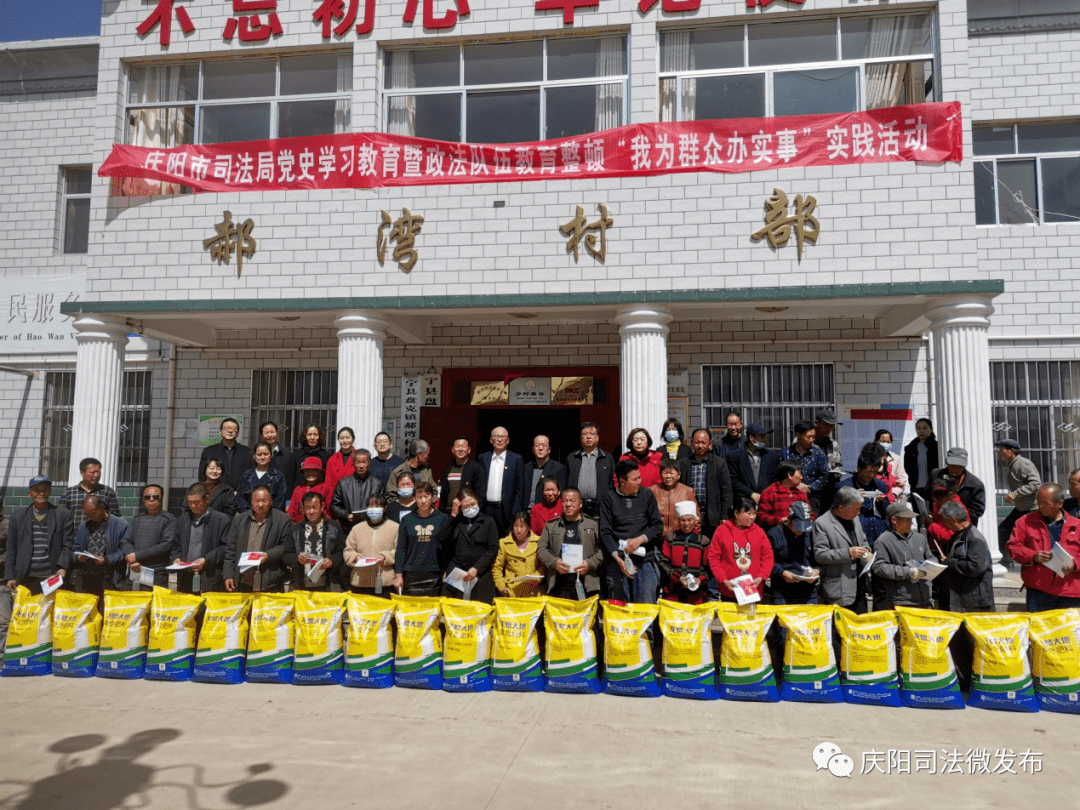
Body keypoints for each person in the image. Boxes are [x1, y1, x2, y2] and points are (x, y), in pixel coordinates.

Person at [599, 458, 664, 604]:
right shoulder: (608, 498)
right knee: (619, 609)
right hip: (618, 560)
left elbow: (657, 526)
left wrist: (639, 540)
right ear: (622, 481)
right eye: (635, 479)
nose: (639, 482)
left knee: (645, 608)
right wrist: (618, 559)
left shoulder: (647, 495)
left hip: (644, 559)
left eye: (639, 477)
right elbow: (605, 533)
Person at [1006, 483, 1080, 611]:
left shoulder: (1077, 525)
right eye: (1038, 501)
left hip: (1070, 592)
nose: (1040, 506)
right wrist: (1033, 556)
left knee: (1068, 631)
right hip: (1039, 591)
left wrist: (1075, 564)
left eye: (1045, 503)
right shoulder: (1025, 522)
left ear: (1060, 504)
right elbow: (1013, 547)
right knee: (1039, 630)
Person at [4, 476, 72, 595]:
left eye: (45, 489)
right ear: (29, 493)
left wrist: (62, 566)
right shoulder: (17, 517)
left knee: (49, 612)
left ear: (50, 492)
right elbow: (11, 549)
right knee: (28, 612)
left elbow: (68, 544)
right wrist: (10, 576)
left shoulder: (62, 515)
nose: (41, 493)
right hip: (26, 577)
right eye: (37, 490)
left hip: (52, 576)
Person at [812, 488, 871, 614]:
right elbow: (820, 555)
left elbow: (863, 541)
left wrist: (867, 552)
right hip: (838, 589)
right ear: (841, 508)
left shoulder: (855, 518)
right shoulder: (822, 523)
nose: (859, 512)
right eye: (856, 509)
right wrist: (848, 553)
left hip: (859, 586)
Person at [536, 488, 602, 600]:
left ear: (580, 504)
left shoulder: (593, 524)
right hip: (558, 583)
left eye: (572, 501)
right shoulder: (551, 525)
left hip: (586, 583)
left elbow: (602, 550)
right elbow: (541, 549)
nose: (568, 504)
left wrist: (589, 563)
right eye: (565, 501)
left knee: (586, 617)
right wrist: (554, 562)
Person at [223, 486, 291, 593]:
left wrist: (269, 555)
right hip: (243, 581)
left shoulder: (283, 519)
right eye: (256, 501)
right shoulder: (239, 520)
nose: (260, 505)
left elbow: (286, 546)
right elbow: (230, 549)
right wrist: (228, 575)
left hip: (270, 582)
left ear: (271, 501)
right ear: (251, 501)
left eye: (264, 501)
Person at [437, 488, 499, 603]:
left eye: (473, 504)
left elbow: (493, 548)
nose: (470, 508)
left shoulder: (488, 521)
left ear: (477, 502)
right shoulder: (455, 521)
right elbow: (442, 538)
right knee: (455, 610)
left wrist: (477, 568)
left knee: (480, 611)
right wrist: (453, 515)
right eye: (465, 506)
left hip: (480, 573)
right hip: (458, 572)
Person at [707, 497, 774, 602]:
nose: (752, 517)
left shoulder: (759, 532)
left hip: (753, 588)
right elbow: (713, 558)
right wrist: (723, 579)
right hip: (729, 588)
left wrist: (761, 577)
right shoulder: (722, 531)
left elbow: (768, 557)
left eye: (754, 513)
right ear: (736, 513)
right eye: (748, 513)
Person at [171, 483, 233, 595]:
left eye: (197, 502)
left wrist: (206, 559)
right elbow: (176, 545)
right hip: (186, 577)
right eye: (190, 503)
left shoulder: (221, 520)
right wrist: (176, 558)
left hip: (210, 576)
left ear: (207, 499)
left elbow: (226, 547)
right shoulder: (183, 520)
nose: (193, 506)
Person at [871, 501, 932, 611]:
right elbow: (879, 567)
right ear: (894, 520)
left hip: (926, 598)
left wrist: (930, 567)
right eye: (907, 519)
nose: (911, 523)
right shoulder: (883, 541)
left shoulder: (920, 538)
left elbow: (931, 557)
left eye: (911, 519)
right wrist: (907, 572)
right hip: (902, 601)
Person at [936, 501, 995, 613]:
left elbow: (976, 567)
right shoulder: (958, 536)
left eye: (945, 520)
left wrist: (949, 562)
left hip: (973, 604)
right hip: (961, 600)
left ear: (953, 520)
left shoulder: (974, 539)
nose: (944, 524)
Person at [393, 482, 448, 597]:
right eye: (419, 497)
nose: (423, 501)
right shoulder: (407, 520)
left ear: (432, 497)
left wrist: (447, 570)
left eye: (426, 496)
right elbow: (401, 549)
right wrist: (398, 575)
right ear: (414, 499)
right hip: (411, 573)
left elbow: (447, 548)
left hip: (434, 572)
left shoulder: (442, 518)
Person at [678, 428, 734, 541]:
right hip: (690, 514)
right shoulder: (683, 463)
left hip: (712, 514)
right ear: (692, 443)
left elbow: (726, 492)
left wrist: (724, 515)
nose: (700, 445)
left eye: (703, 442)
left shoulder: (719, 463)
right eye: (697, 442)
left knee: (711, 547)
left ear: (710, 444)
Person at [995, 439, 1042, 572]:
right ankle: (1006, 563)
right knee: (1002, 532)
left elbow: (1035, 484)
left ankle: (1034, 567)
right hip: (1021, 508)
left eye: (1002, 449)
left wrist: (1015, 494)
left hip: (1032, 509)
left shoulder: (1023, 464)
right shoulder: (1012, 464)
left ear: (1011, 451)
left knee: (1031, 539)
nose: (1000, 452)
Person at [69, 495, 131, 597]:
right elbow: (75, 549)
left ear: (102, 507)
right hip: (85, 576)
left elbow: (124, 550)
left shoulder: (120, 525)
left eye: (93, 513)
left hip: (108, 577)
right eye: (87, 514)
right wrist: (79, 557)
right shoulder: (83, 526)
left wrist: (106, 559)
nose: (90, 517)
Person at [283, 491, 345, 592]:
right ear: (303, 509)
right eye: (308, 508)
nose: (311, 512)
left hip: (329, 585)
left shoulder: (334, 527)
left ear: (322, 507)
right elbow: (286, 554)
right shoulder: (294, 530)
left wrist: (332, 561)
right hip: (301, 585)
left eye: (315, 507)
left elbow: (341, 552)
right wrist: (297, 558)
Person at [343, 493, 398, 596]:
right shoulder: (357, 528)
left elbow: (399, 551)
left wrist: (385, 557)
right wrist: (355, 557)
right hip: (360, 582)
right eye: (371, 506)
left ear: (384, 508)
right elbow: (348, 550)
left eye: (377, 506)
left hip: (385, 583)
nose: (374, 509)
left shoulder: (395, 527)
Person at [123, 484, 176, 589]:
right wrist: (133, 560)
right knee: (134, 603)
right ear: (143, 500)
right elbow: (126, 541)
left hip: (156, 573)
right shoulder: (136, 519)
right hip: (135, 568)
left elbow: (166, 545)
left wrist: (137, 555)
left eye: (155, 497)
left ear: (161, 498)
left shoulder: (169, 519)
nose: (151, 500)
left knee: (154, 604)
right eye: (147, 497)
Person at [659, 501, 712, 604]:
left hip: (696, 593)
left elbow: (709, 567)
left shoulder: (704, 540)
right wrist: (678, 578)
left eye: (690, 520)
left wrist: (701, 579)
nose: (686, 523)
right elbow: (663, 562)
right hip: (673, 591)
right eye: (683, 520)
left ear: (695, 521)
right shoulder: (671, 538)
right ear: (679, 521)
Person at [766, 502, 818, 605]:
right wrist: (782, 572)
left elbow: (820, 557)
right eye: (798, 527)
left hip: (808, 588)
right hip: (782, 588)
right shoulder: (774, 534)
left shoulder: (812, 533)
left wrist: (817, 571)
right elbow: (767, 562)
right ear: (789, 519)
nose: (802, 531)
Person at [837, 451, 889, 548]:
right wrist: (853, 499)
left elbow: (886, 511)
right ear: (859, 468)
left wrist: (881, 502)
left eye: (875, 472)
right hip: (856, 528)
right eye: (869, 472)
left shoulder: (880, 484)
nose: (872, 475)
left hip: (879, 529)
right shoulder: (844, 487)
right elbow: (838, 512)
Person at [479, 426, 523, 537]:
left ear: (508, 440)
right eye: (497, 436)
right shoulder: (483, 458)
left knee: (504, 540)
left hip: (505, 510)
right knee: (485, 538)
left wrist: (515, 512)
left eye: (503, 437)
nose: (499, 440)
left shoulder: (516, 459)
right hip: (486, 509)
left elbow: (519, 488)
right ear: (490, 440)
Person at [566, 422, 615, 519]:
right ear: (581, 438)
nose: (588, 437)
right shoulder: (572, 458)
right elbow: (565, 481)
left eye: (592, 434)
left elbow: (612, 483)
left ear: (597, 437)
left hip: (601, 508)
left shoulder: (607, 458)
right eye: (585, 434)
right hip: (577, 507)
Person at [780, 421, 829, 516]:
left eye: (813, 437)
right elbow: (780, 475)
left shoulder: (818, 454)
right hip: (788, 497)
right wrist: (795, 485)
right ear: (798, 435)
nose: (811, 440)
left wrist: (809, 487)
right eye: (808, 437)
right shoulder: (785, 453)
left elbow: (824, 476)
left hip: (812, 499)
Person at [330, 448, 385, 530]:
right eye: (358, 462)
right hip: (348, 529)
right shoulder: (343, 483)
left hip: (372, 528)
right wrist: (346, 515)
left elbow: (384, 506)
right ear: (353, 463)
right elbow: (334, 506)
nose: (361, 466)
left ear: (369, 463)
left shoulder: (377, 484)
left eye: (364, 462)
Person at [929, 446, 986, 526]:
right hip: (937, 523)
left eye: (959, 466)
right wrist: (930, 514)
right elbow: (927, 497)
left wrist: (956, 519)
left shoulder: (976, 484)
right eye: (952, 465)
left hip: (962, 527)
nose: (955, 469)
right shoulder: (935, 475)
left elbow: (977, 510)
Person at [493, 512, 545, 598]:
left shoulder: (538, 542)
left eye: (522, 526)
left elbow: (543, 566)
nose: (519, 530)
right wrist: (501, 586)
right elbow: (497, 567)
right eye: (516, 526)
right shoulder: (504, 543)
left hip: (532, 591)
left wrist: (536, 577)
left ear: (528, 527)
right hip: (512, 591)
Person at [59, 457, 121, 531]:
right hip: (74, 537)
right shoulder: (69, 493)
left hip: (100, 538)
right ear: (82, 473)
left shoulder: (107, 492)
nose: (96, 475)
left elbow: (116, 517)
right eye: (92, 472)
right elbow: (60, 518)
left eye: (99, 472)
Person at [727, 423, 779, 503]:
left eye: (765, 436)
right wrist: (750, 493)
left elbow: (775, 479)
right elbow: (733, 480)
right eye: (761, 436)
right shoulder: (735, 456)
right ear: (751, 438)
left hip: (766, 502)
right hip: (744, 503)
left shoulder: (771, 456)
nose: (764, 439)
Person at [198, 417, 253, 490]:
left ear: (237, 433)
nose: (230, 431)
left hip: (239, 495)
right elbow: (202, 475)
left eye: (233, 428)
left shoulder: (247, 452)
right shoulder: (209, 451)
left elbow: (250, 474)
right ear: (220, 432)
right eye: (226, 428)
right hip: (215, 494)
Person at [756, 459, 812, 531]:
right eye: (799, 473)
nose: (801, 477)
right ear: (789, 475)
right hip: (778, 533)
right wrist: (780, 520)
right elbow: (761, 516)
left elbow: (811, 514)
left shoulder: (801, 493)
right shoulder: (769, 492)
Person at [235, 441, 288, 513]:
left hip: (271, 518)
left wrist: (267, 515)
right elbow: (240, 498)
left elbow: (280, 501)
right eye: (259, 454)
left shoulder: (278, 476)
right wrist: (251, 514)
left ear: (271, 455)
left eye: (265, 454)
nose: (262, 457)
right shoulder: (246, 476)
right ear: (254, 456)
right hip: (248, 516)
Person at [439, 436, 486, 515]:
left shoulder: (476, 468)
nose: (460, 449)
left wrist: (475, 512)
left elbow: (480, 494)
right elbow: (443, 492)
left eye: (463, 446)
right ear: (453, 450)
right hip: (448, 513)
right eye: (457, 446)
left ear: (469, 450)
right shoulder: (448, 467)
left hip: (467, 513)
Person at [651, 458, 698, 537]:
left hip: (679, 538)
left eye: (672, 473)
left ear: (679, 475)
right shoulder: (652, 491)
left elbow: (696, 518)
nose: (668, 476)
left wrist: (694, 538)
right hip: (657, 537)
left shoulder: (687, 491)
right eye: (665, 473)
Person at [522, 434, 567, 510]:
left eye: (544, 445)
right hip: (527, 512)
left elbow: (562, 494)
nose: (540, 448)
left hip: (548, 511)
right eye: (537, 445)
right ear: (533, 449)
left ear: (549, 449)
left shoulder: (559, 468)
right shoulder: (526, 468)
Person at [814, 408, 844, 512]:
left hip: (829, 489)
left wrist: (836, 471)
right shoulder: (806, 441)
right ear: (816, 423)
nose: (829, 428)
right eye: (826, 424)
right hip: (811, 488)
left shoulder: (833, 444)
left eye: (831, 425)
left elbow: (837, 464)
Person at [289, 423, 332, 494]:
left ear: (319, 436)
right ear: (305, 436)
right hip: (300, 494)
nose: (312, 438)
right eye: (309, 435)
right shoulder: (295, 455)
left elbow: (328, 478)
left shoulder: (326, 456)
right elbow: (290, 479)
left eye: (315, 434)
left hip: (320, 494)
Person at [287, 457, 333, 522]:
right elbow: (292, 511)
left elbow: (330, 511)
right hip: (301, 525)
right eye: (307, 471)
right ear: (303, 472)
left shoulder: (325, 488)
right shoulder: (298, 489)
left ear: (319, 472)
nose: (310, 474)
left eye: (313, 471)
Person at [903, 418, 938, 500]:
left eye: (925, 428)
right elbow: (907, 467)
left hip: (933, 488)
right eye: (918, 428)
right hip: (916, 487)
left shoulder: (937, 447)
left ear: (931, 429)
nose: (921, 431)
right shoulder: (910, 448)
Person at [259, 421, 294, 494]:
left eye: (272, 432)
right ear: (262, 435)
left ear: (277, 433)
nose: (270, 435)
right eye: (266, 433)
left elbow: (291, 479)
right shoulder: (255, 454)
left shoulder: (287, 455)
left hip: (282, 497)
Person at [874, 429, 910, 500]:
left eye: (888, 442)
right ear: (876, 442)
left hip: (892, 499)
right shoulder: (870, 458)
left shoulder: (896, 459)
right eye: (883, 442)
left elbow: (902, 480)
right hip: (875, 496)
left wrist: (893, 494)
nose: (886, 444)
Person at [324, 426, 357, 498]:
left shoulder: (359, 457)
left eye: (347, 438)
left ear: (353, 439)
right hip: (336, 499)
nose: (344, 441)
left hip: (354, 498)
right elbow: (328, 483)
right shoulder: (332, 460)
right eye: (341, 438)